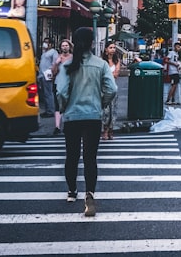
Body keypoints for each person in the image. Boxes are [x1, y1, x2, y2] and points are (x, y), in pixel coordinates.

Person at [55, 26, 117, 217]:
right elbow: (112, 89)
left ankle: (72, 191)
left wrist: (64, 108)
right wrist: (101, 103)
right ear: (92, 43)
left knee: (71, 156)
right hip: (92, 116)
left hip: (73, 116)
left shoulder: (67, 65)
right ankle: (89, 194)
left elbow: (61, 92)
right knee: (90, 158)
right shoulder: (100, 64)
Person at [52, 38, 74, 135]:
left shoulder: (73, 58)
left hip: (69, 83)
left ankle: (67, 124)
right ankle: (57, 126)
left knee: (68, 104)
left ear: (69, 46)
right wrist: (56, 63)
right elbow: (53, 72)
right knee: (58, 105)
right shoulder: (58, 58)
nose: (65, 47)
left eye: (66, 45)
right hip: (58, 83)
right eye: (63, 46)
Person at [101, 43, 122, 140]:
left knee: (113, 110)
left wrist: (108, 75)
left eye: (114, 48)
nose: (113, 49)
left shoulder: (117, 61)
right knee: (105, 111)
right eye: (110, 48)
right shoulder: (102, 61)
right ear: (106, 49)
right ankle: (104, 130)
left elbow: (116, 74)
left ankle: (111, 130)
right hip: (103, 89)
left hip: (113, 88)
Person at [37, 38, 56, 119]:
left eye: (47, 42)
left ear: (51, 44)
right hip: (42, 75)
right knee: (45, 94)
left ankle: (50, 111)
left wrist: (52, 74)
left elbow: (54, 63)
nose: (45, 44)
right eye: (44, 42)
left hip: (47, 75)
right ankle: (48, 109)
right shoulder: (44, 53)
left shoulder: (53, 52)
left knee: (48, 93)